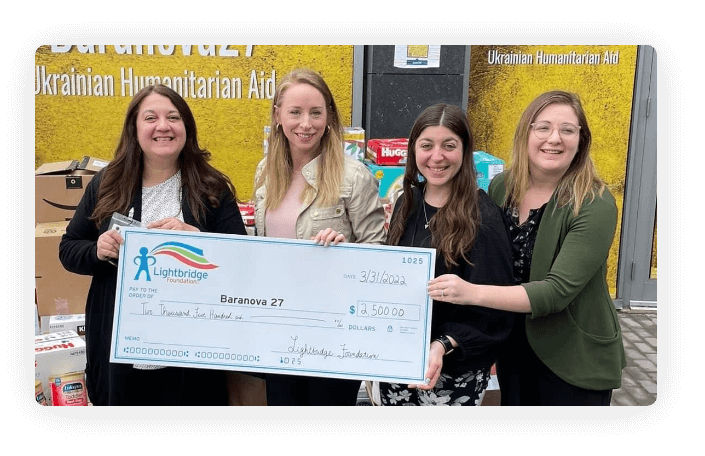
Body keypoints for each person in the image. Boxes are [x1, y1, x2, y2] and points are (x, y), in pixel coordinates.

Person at [429, 91, 625, 406]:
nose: (554, 138)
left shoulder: (594, 203)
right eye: (543, 127)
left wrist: (470, 292)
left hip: (573, 358)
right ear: (526, 133)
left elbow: (556, 293)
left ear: (581, 140)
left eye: (567, 130)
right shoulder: (502, 187)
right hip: (513, 350)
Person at [59, 84, 247, 406]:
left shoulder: (211, 188)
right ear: (134, 129)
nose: (163, 126)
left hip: (192, 352)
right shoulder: (107, 183)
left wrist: (198, 240)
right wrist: (97, 250)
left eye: (173, 117)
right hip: (120, 350)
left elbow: (242, 261)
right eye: (150, 118)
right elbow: (69, 248)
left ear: (186, 127)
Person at [253, 68, 386, 405]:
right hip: (278, 326)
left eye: (315, 112)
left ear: (329, 116)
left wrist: (346, 251)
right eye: (295, 112)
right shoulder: (265, 171)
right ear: (278, 116)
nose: (306, 123)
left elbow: (379, 254)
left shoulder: (353, 176)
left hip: (334, 332)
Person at [379, 104, 515, 406]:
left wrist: (443, 344)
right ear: (414, 150)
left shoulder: (482, 217)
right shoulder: (407, 202)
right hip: (400, 362)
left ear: (464, 151)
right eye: (427, 145)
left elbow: (495, 311)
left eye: (449, 146)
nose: (437, 156)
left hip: (452, 373)